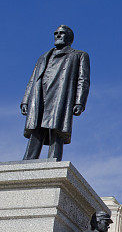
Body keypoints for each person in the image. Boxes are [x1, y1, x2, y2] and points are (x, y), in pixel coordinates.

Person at [21, 25, 90, 161]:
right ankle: (29, 159)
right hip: (40, 94)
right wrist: (26, 100)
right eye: (56, 33)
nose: (58, 35)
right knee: (36, 127)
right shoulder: (43, 57)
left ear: (69, 37)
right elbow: (32, 79)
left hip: (61, 95)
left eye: (62, 33)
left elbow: (83, 80)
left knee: (56, 128)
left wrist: (79, 102)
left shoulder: (79, 55)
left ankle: (54, 159)